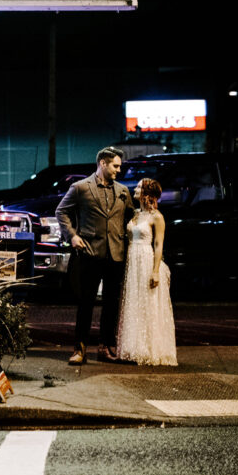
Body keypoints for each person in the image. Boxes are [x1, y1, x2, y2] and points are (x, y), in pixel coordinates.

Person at [56, 146, 135, 364]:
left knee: (112, 303)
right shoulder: (81, 188)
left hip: (116, 254)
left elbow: (131, 217)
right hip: (90, 253)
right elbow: (61, 211)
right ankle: (80, 348)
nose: (119, 170)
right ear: (103, 163)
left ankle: (106, 347)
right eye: (115, 166)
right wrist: (71, 235)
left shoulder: (122, 191)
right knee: (86, 302)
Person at [116, 178, 177, 365]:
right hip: (132, 260)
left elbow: (158, 245)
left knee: (147, 303)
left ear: (147, 194)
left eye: (139, 187)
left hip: (145, 258)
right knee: (135, 302)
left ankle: (150, 348)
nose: (135, 188)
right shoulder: (135, 214)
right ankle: (134, 347)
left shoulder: (156, 217)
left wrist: (156, 270)